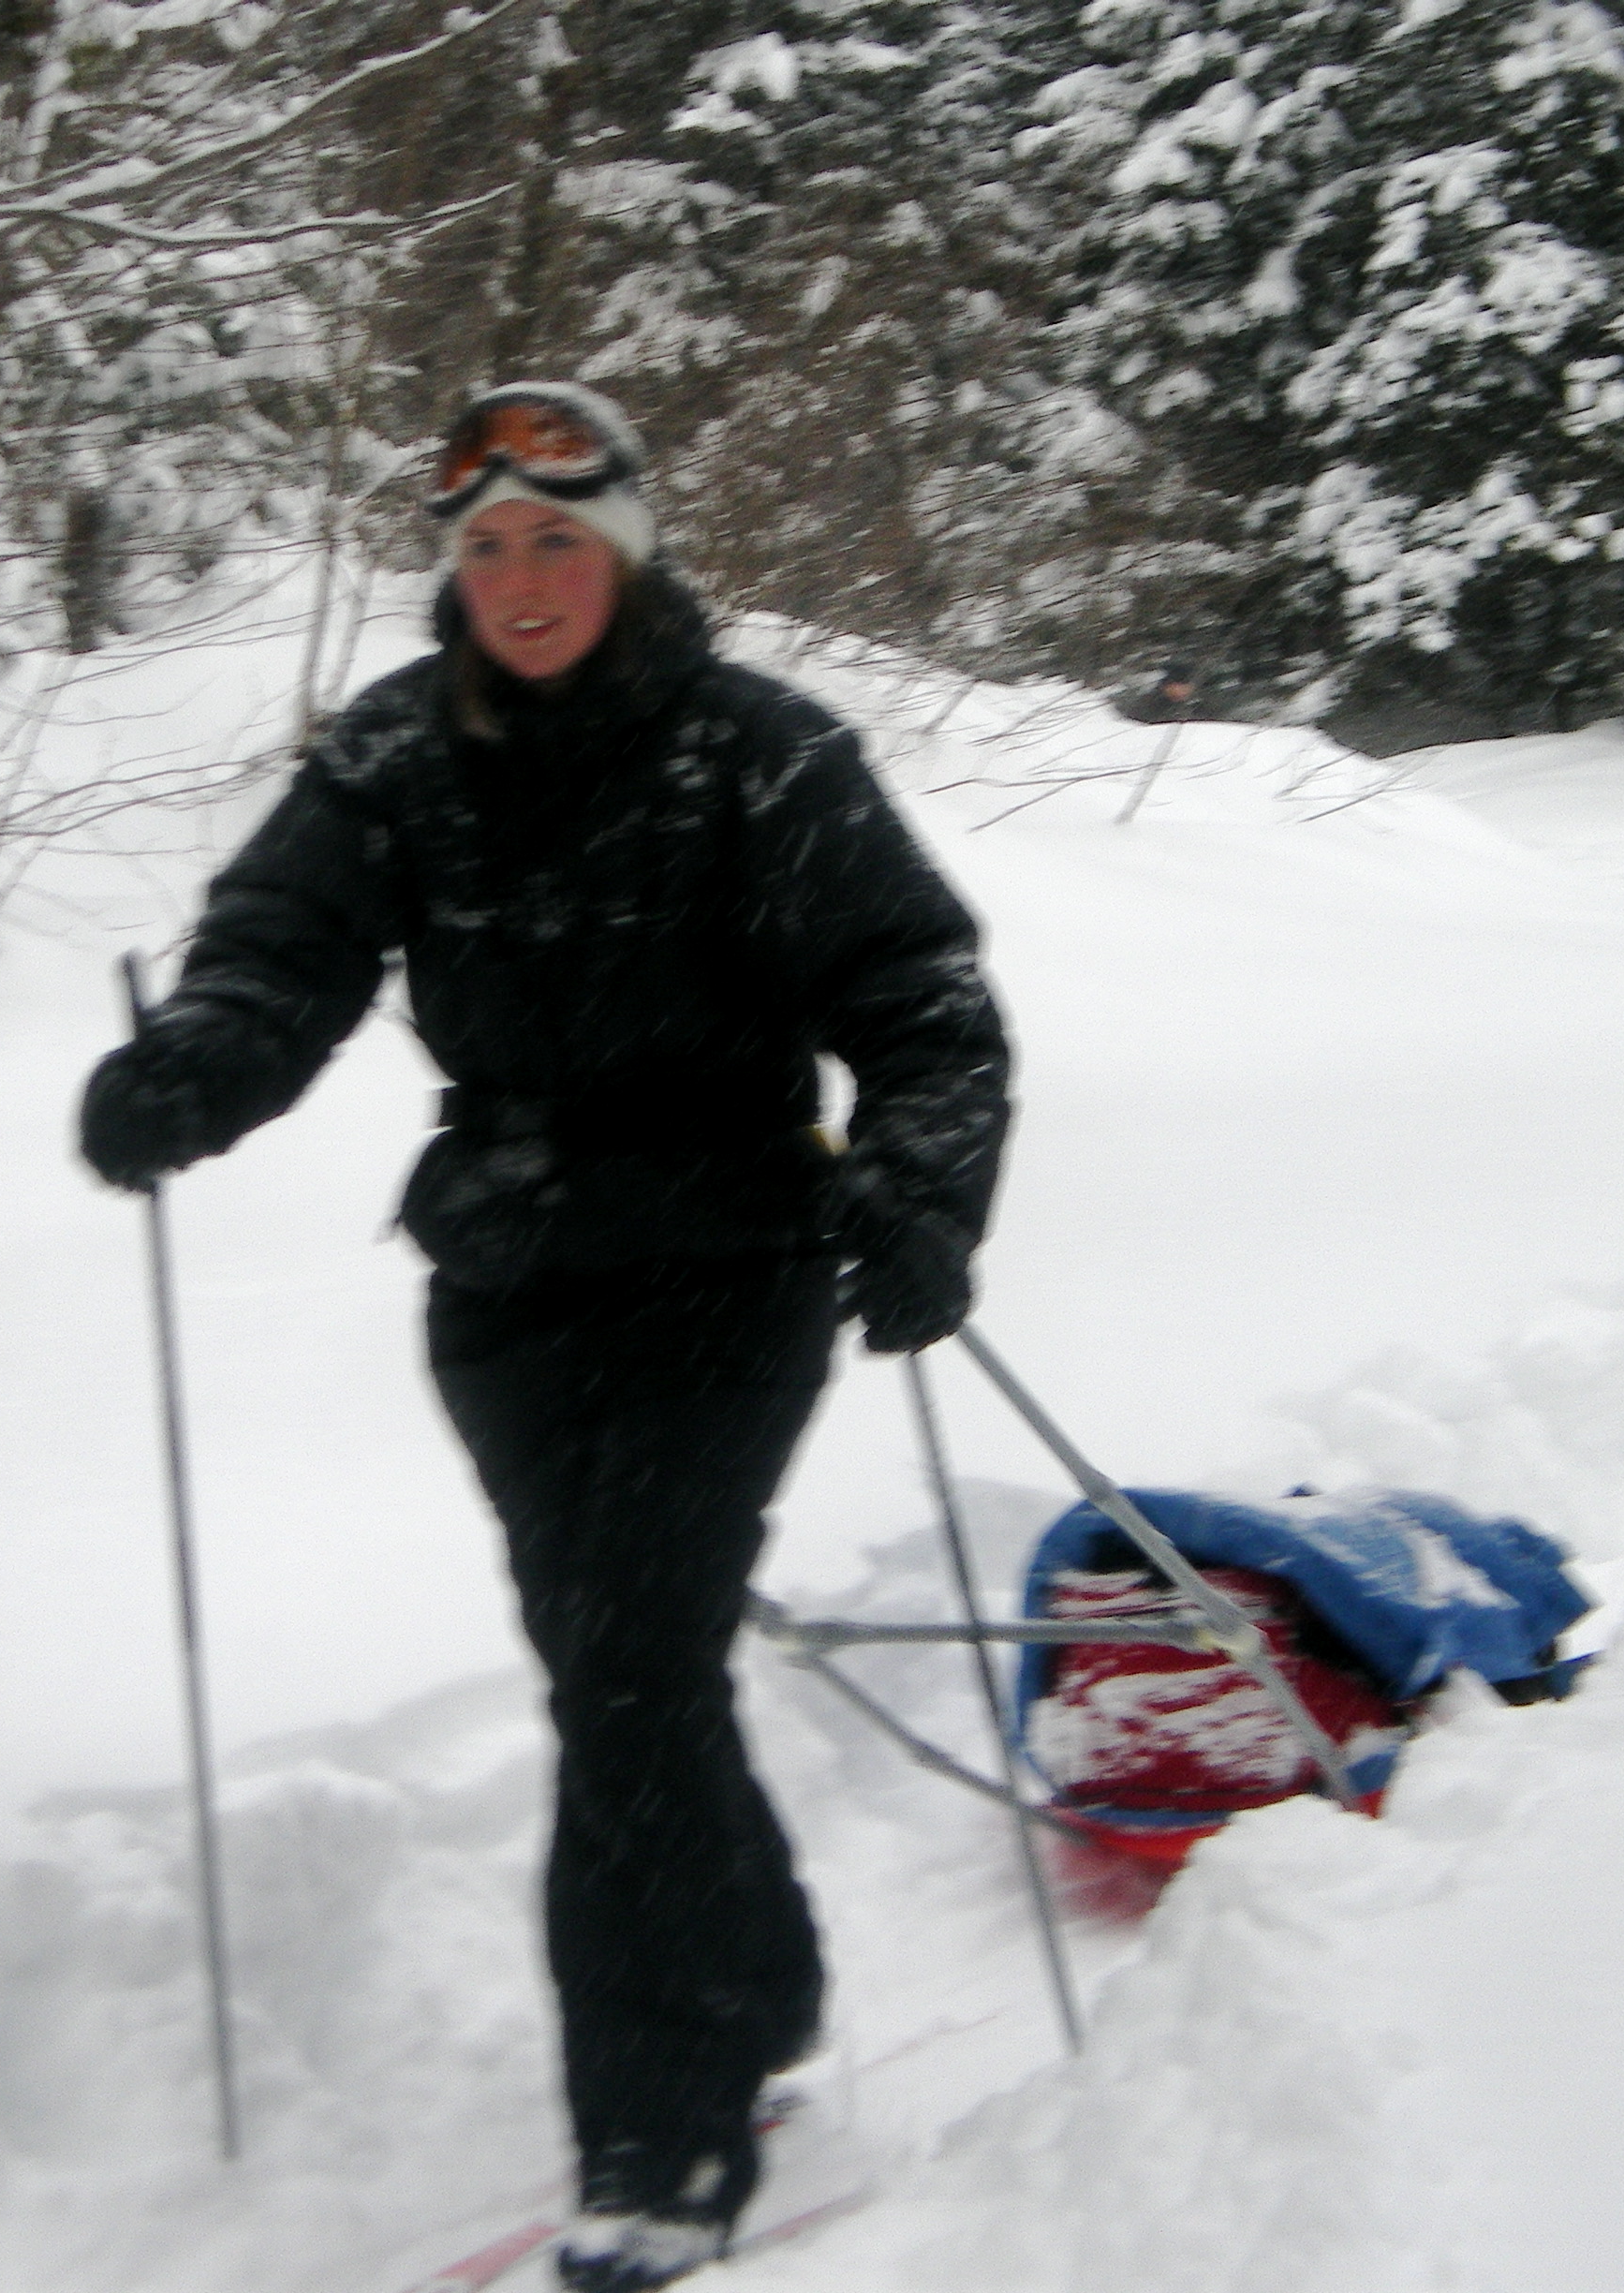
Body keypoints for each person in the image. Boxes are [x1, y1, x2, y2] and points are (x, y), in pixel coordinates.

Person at [77, 382, 1011, 2293]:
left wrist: (921, 1190)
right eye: (488, 543)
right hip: (506, 1287)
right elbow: (284, 948)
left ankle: (662, 2137)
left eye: (558, 541)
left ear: (626, 553)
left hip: (733, 1264)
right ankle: (760, 1980)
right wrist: (197, 1065)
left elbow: (920, 995)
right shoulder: (398, 750)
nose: (519, 577)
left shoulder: (760, 752)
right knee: (617, 1667)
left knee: (631, 1671)